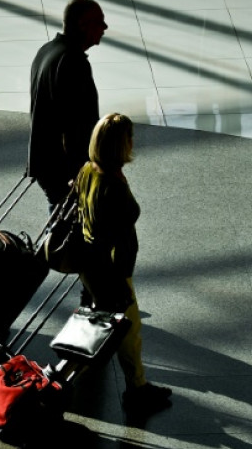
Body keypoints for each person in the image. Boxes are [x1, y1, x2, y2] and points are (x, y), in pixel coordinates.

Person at [74, 113, 172, 417]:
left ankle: (85, 369)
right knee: (128, 332)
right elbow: (121, 237)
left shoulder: (88, 171)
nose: (134, 142)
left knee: (103, 321)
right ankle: (137, 390)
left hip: (91, 265)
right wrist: (122, 281)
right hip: (112, 271)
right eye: (130, 137)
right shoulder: (111, 186)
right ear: (120, 144)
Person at [27, 0, 107, 209]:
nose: (105, 27)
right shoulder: (73, 61)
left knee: (60, 215)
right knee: (67, 223)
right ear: (83, 25)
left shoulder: (48, 50)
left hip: (45, 159)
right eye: (99, 22)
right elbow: (77, 124)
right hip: (62, 167)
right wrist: (84, 170)